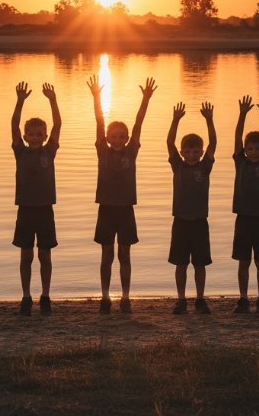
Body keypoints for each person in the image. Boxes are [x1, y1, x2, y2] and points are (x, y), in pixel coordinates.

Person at [87, 74, 156, 314]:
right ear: (107, 138)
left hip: (126, 209)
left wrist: (145, 99)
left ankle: (125, 298)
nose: (117, 140)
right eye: (113, 136)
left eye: (122, 137)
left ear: (127, 139)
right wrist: (97, 97)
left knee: (124, 254)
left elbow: (138, 123)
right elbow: (99, 121)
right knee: (107, 255)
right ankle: (105, 298)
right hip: (106, 209)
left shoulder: (132, 152)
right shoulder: (103, 152)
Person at [11, 81, 62, 316]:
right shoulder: (20, 151)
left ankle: (45, 295)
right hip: (25, 210)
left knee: (44, 255)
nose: (35, 137)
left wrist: (52, 100)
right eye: (31, 134)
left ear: (44, 135)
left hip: (45, 210)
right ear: (25, 136)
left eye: (39, 133)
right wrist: (20, 101)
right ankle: (25, 297)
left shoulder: (48, 151)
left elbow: (58, 124)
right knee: (26, 255)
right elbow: (13, 124)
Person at [166, 101, 217, 315]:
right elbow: (169, 142)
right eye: (188, 151)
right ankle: (181, 299)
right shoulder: (177, 165)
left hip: (199, 223)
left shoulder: (205, 167)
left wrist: (209, 120)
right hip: (180, 222)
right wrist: (176, 119)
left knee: (200, 264)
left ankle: (200, 298)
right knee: (181, 264)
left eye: (196, 152)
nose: (192, 155)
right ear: (182, 152)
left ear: (201, 152)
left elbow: (214, 143)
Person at [230, 94, 259, 314]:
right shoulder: (240, 162)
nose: (254, 152)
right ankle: (243, 298)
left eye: (258, 149)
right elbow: (237, 136)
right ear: (245, 150)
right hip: (243, 218)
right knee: (243, 261)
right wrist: (242, 114)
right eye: (250, 149)